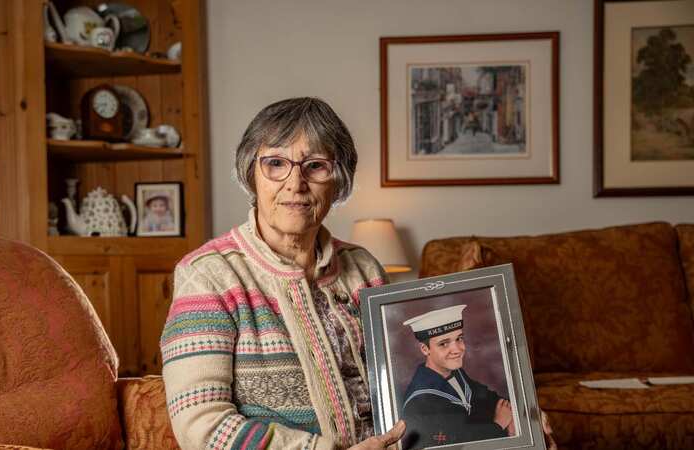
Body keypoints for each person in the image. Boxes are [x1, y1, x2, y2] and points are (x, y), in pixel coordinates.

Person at [160, 97, 554, 450]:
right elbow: (202, 425)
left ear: (339, 181)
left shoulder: (362, 267)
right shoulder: (208, 276)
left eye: (315, 166)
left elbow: (406, 387)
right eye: (275, 163)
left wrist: (514, 428)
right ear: (252, 174)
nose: (295, 184)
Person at [400, 305, 514, 449]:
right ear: (425, 349)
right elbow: (457, 442)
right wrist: (499, 425)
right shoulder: (420, 402)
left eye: (459, 339)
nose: (458, 349)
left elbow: (485, 396)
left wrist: (514, 416)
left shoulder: (455, 373)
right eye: (444, 344)